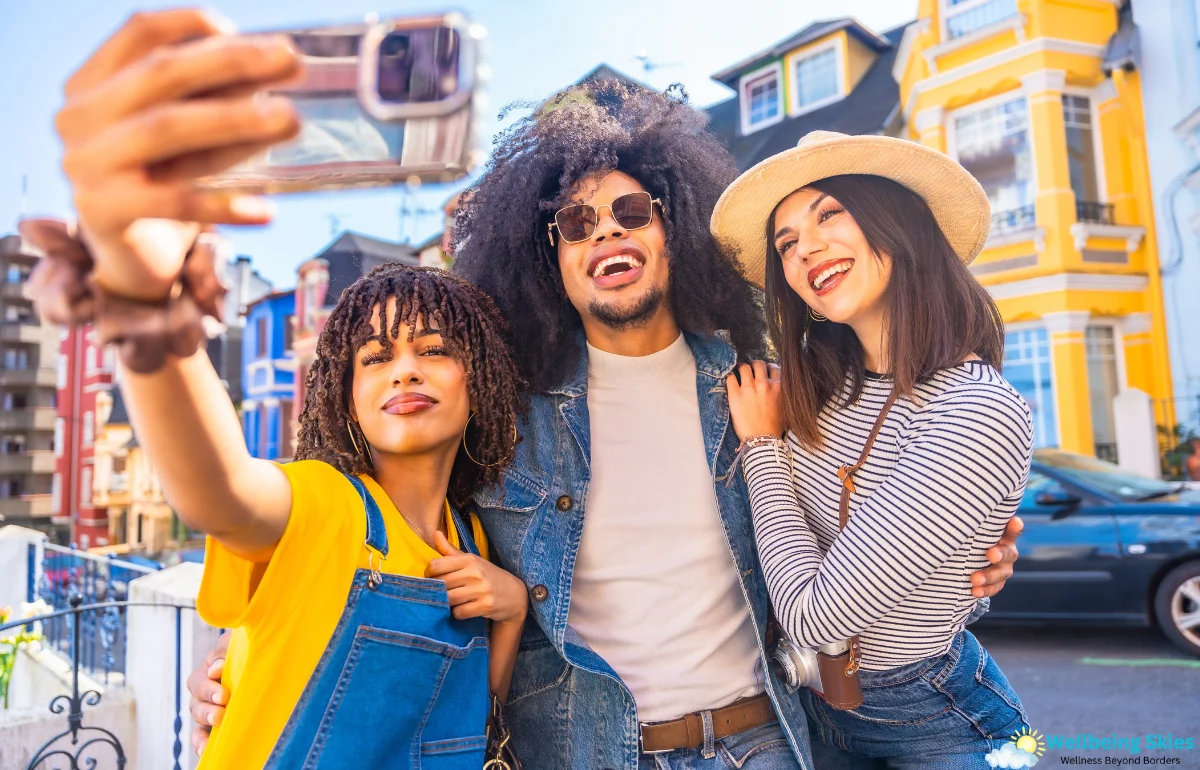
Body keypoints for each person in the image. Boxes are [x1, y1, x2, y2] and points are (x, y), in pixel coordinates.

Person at [146, 20, 1025, 767]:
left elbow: (867, 531)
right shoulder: (505, 415)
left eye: (634, 213)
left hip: (766, 743)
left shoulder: (767, 387)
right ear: (549, 262)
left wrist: (975, 569)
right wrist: (241, 652)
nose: (606, 230)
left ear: (672, 233)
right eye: (575, 224)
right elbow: (376, 516)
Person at [46, 12, 531, 768]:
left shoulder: (475, 541)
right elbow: (221, 492)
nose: (404, 369)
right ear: (343, 397)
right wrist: (146, 307)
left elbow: (471, 724)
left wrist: (511, 607)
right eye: (373, 358)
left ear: (485, 388)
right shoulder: (322, 505)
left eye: (434, 351)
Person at [715, 131, 1033, 769]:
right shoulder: (810, 383)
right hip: (812, 709)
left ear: (899, 223)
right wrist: (967, 580)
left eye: (830, 213)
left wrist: (761, 448)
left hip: (942, 722)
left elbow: (814, 619)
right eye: (786, 242)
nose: (804, 248)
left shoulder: (977, 408)